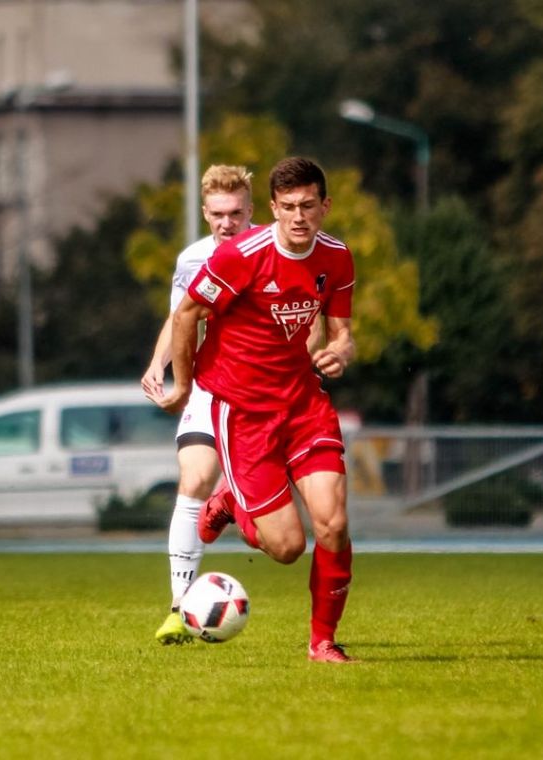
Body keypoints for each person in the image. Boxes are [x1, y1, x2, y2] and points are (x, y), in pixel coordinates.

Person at [155, 157, 357, 663]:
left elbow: (342, 332)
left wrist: (341, 351)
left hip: (304, 405)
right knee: (288, 548)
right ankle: (230, 503)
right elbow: (186, 315)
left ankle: (323, 641)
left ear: (324, 206)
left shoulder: (337, 257)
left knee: (332, 522)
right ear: (271, 208)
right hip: (244, 413)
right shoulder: (240, 256)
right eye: (287, 207)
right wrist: (181, 385)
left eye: (308, 206)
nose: (298, 217)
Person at [143, 164, 255, 644]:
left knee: (273, 540)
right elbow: (179, 318)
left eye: (235, 213)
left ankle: (232, 500)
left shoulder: (272, 252)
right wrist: (159, 364)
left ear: (251, 210)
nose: (226, 223)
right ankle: (178, 608)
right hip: (210, 383)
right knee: (192, 479)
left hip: (263, 391)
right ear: (205, 211)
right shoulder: (193, 259)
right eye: (217, 214)